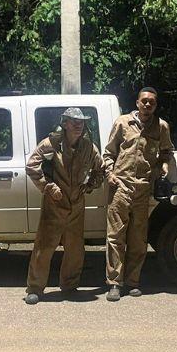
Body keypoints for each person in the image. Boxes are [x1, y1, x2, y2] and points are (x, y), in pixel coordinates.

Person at [24, 108, 104, 305]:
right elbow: (32, 166)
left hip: (76, 204)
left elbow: (100, 169)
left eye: (81, 122)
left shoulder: (89, 147)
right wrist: (48, 187)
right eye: (74, 122)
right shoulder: (51, 143)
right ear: (65, 124)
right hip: (54, 204)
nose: (78, 125)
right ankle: (35, 288)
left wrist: (90, 185)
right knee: (44, 246)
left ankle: (69, 286)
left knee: (75, 248)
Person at [104, 87, 174, 301]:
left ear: (155, 105)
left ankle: (133, 281)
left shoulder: (161, 126)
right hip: (120, 187)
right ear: (137, 103)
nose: (147, 104)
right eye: (144, 101)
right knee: (116, 237)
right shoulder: (122, 123)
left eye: (152, 102)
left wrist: (163, 165)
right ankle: (114, 283)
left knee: (138, 238)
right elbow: (109, 152)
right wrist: (109, 174)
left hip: (143, 189)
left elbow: (166, 152)